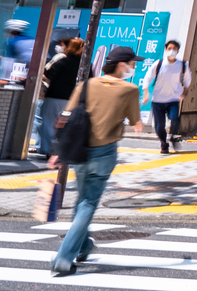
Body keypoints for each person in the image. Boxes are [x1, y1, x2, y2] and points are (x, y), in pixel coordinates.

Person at [48, 46, 141, 276]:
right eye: (132, 63)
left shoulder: (86, 84)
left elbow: (66, 118)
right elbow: (136, 121)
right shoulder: (129, 89)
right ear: (122, 65)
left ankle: (84, 246)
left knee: (82, 201)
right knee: (88, 204)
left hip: (79, 151)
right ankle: (64, 256)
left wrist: (58, 151)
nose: (134, 67)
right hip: (104, 152)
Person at [33, 38, 83, 158]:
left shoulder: (63, 61)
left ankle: (49, 150)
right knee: (66, 126)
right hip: (72, 99)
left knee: (48, 124)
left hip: (55, 96)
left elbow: (47, 73)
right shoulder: (84, 64)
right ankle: (62, 151)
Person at [145, 40, 193, 154]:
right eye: (169, 48)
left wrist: (185, 92)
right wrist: (146, 93)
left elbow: (187, 80)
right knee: (159, 126)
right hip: (158, 100)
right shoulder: (158, 64)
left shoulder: (183, 65)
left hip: (173, 99)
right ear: (166, 49)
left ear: (177, 51)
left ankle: (174, 137)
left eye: (174, 49)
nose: (172, 50)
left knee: (175, 118)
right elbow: (148, 77)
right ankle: (164, 144)